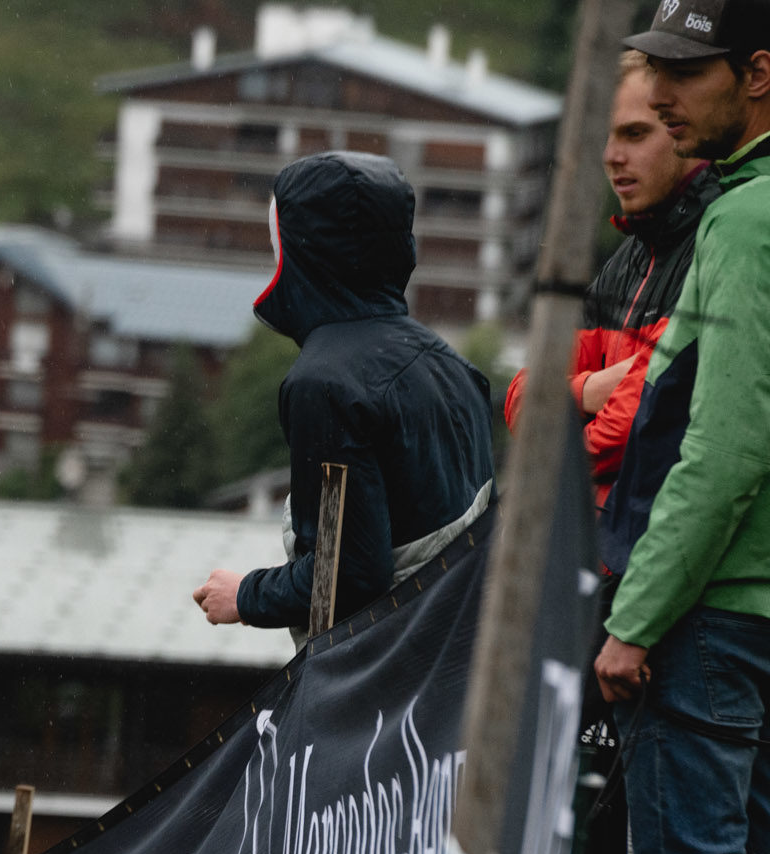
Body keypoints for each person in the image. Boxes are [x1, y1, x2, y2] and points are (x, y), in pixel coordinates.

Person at [594, 0, 770, 854]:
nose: (663, 95)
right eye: (654, 69)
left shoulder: (744, 221)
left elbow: (725, 446)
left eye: (688, 73)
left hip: (711, 616)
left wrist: (637, 619)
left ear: (759, 77)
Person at [192, 152, 495, 633]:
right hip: (456, 656)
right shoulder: (454, 366)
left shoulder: (325, 386)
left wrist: (244, 595)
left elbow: (345, 576)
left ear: (301, 254)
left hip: (384, 681)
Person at [504, 51, 716, 508]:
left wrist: (568, 402)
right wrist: (590, 389)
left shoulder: (713, 248)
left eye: (635, 134)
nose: (611, 156)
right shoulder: (629, 259)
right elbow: (525, 394)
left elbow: (636, 428)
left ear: (684, 131)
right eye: (607, 137)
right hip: (604, 553)